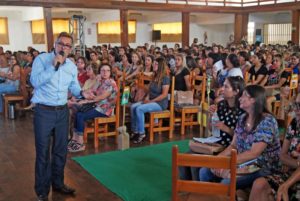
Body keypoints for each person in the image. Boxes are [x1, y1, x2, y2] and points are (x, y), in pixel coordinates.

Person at [30, 32, 94, 201]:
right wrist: (53, 66)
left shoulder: (72, 67)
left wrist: (81, 92)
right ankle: (42, 191)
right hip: (43, 112)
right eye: (61, 44)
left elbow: (73, 86)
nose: (63, 47)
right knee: (43, 152)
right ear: (55, 44)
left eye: (67, 45)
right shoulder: (42, 60)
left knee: (60, 151)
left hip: (62, 112)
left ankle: (58, 184)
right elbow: (35, 82)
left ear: (70, 49)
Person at [199, 85, 281, 190]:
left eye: (244, 95)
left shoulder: (266, 121)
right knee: (204, 171)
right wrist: (217, 160)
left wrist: (228, 164)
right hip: (243, 163)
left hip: (263, 167)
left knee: (226, 182)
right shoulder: (242, 118)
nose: (240, 98)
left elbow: (254, 153)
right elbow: (233, 145)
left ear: (253, 100)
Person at [180, 76, 245, 181]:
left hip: (227, 147)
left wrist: (225, 128)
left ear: (236, 92)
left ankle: (198, 190)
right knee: (184, 158)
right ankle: (187, 189)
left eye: (226, 86)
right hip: (214, 142)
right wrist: (211, 116)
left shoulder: (242, 111)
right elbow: (211, 128)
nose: (222, 89)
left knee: (195, 163)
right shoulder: (221, 105)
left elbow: (241, 138)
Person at [249, 94, 300, 201]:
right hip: (290, 173)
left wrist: (286, 185)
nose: (297, 109)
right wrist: (296, 164)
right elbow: (282, 155)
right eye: (296, 104)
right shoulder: (295, 123)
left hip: (294, 177)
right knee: (259, 185)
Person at [68, 63, 118, 152]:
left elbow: (101, 97)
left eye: (107, 71)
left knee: (81, 115)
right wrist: (82, 93)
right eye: (103, 70)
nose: (105, 72)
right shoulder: (100, 81)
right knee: (77, 113)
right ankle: (75, 139)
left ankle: (80, 142)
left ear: (110, 72)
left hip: (105, 109)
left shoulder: (111, 83)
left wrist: (86, 101)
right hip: (96, 105)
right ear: (99, 72)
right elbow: (92, 90)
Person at [130, 57, 170, 144]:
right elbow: (149, 91)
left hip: (160, 103)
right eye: (154, 63)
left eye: (156, 64)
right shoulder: (154, 76)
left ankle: (142, 133)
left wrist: (151, 101)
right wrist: (147, 98)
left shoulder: (165, 78)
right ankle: (135, 131)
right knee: (133, 106)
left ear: (160, 66)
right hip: (152, 100)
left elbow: (164, 95)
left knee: (139, 109)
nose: (153, 65)